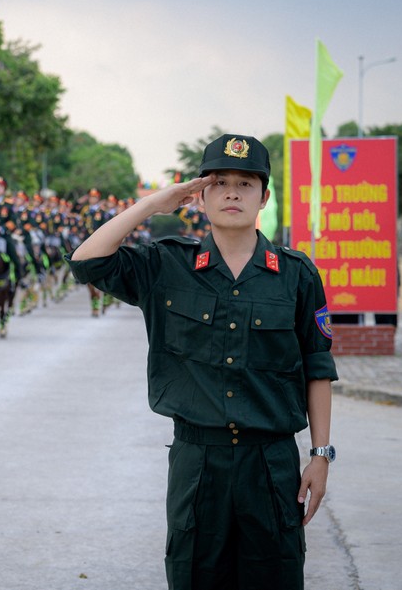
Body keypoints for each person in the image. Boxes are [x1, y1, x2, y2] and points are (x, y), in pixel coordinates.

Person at [66, 134, 338, 590]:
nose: (233, 192)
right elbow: (86, 262)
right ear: (201, 194)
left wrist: (321, 455)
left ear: (264, 197)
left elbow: (318, 366)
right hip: (197, 463)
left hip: (271, 463)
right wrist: (154, 204)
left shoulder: (296, 274)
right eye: (220, 181)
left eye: (246, 183)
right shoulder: (167, 265)